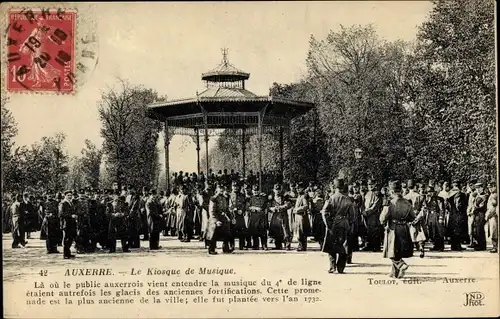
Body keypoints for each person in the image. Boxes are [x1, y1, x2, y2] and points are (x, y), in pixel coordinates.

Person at [380, 180, 416, 279]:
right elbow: (413, 217)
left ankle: (401, 265)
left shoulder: (390, 203)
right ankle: (395, 273)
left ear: (392, 191)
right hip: (404, 228)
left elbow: (382, 218)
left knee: (391, 251)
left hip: (393, 229)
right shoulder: (407, 203)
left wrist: (384, 223)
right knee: (398, 251)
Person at [320, 178, 353, 274]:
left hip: (333, 223)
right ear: (343, 187)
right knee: (343, 246)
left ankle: (332, 266)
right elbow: (353, 214)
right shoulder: (348, 199)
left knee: (331, 245)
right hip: (344, 223)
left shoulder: (331, 198)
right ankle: (341, 268)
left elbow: (324, 212)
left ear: (334, 187)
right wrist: (349, 223)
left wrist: (328, 224)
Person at [206, 182, 231, 254]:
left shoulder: (224, 198)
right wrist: (216, 221)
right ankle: (211, 249)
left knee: (227, 232)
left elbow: (226, 209)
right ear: (217, 189)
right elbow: (211, 211)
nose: (221, 190)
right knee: (213, 234)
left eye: (223, 189)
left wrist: (229, 217)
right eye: (220, 188)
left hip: (223, 218)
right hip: (216, 219)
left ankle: (226, 248)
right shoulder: (213, 199)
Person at [404, 180, 426, 257]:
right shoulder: (420, 196)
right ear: (415, 186)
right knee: (420, 232)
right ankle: (421, 247)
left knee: (410, 233)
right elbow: (424, 208)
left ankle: (411, 250)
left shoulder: (405, 197)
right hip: (418, 216)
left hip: (409, 217)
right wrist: (418, 217)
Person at [268, 184, 292, 250]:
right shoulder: (271, 198)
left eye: (279, 189)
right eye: (276, 190)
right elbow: (267, 206)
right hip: (275, 216)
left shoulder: (285, 197)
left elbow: (288, 204)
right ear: (273, 190)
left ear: (281, 190)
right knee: (276, 230)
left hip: (283, 215)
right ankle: (278, 245)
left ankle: (287, 245)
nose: (277, 191)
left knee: (285, 230)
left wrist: (281, 207)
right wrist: (271, 209)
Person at [446, 180, 467, 251]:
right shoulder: (459, 193)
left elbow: (446, 205)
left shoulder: (449, 193)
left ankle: (453, 246)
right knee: (458, 229)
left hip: (451, 213)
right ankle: (457, 246)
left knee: (453, 230)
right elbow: (459, 205)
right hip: (458, 214)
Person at [424, 182, 446, 251]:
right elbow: (426, 208)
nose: (429, 193)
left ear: (434, 192)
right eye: (428, 192)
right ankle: (436, 245)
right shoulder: (428, 199)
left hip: (437, 215)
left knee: (439, 231)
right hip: (430, 216)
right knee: (432, 231)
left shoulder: (439, 199)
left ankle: (441, 246)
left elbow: (442, 209)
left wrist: (441, 217)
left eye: (431, 192)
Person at [362, 180, 382, 252]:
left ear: (375, 184)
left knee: (375, 230)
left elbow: (376, 205)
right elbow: (363, 204)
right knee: (367, 230)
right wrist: (363, 211)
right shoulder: (367, 193)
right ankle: (368, 245)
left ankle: (376, 246)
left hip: (374, 214)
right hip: (366, 214)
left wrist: (367, 212)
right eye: (369, 184)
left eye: (372, 184)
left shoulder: (377, 194)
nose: (370, 186)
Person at [247, 184, 268, 250]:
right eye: (254, 190)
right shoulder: (250, 198)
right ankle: (255, 245)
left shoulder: (263, 198)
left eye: (257, 190)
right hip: (253, 217)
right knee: (254, 231)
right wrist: (254, 208)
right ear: (252, 191)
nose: (255, 192)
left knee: (263, 232)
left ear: (259, 191)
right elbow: (247, 207)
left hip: (261, 217)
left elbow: (265, 206)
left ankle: (264, 245)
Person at [228, 181, 248, 250]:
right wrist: (232, 209)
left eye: (236, 186)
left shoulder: (242, 195)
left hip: (240, 215)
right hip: (232, 215)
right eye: (234, 186)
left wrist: (242, 210)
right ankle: (232, 245)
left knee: (241, 230)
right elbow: (228, 205)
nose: (235, 188)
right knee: (231, 231)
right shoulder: (229, 195)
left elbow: (244, 204)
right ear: (231, 187)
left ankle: (241, 245)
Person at [293, 182, 311, 251]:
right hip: (298, 216)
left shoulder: (304, 196)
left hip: (301, 216)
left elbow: (306, 206)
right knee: (299, 231)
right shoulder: (299, 196)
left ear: (302, 188)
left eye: (299, 188)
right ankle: (300, 245)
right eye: (297, 188)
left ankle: (302, 246)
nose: (297, 190)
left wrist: (297, 209)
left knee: (301, 231)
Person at [59, 190, 77, 259]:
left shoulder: (71, 203)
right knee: (66, 238)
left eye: (70, 195)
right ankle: (65, 254)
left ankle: (68, 253)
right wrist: (71, 216)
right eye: (68, 195)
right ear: (65, 196)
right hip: (66, 223)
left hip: (72, 223)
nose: (70, 196)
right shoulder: (62, 203)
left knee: (70, 238)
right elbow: (61, 213)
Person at [471, 181, 488, 251]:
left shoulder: (484, 196)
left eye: (479, 188)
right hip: (476, 214)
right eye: (476, 188)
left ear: (482, 188)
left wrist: (475, 208)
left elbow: (482, 206)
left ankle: (481, 245)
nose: (477, 190)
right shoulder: (477, 196)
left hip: (481, 213)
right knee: (476, 229)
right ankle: (478, 244)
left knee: (480, 229)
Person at [485, 181, 498, 253]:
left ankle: (495, 247)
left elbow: (494, 206)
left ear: (495, 187)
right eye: (489, 187)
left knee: (494, 231)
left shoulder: (495, 195)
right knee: (492, 231)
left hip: (493, 215)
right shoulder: (492, 194)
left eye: (491, 187)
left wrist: (488, 215)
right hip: (491, 215)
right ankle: (494, 246)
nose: (490, 189)